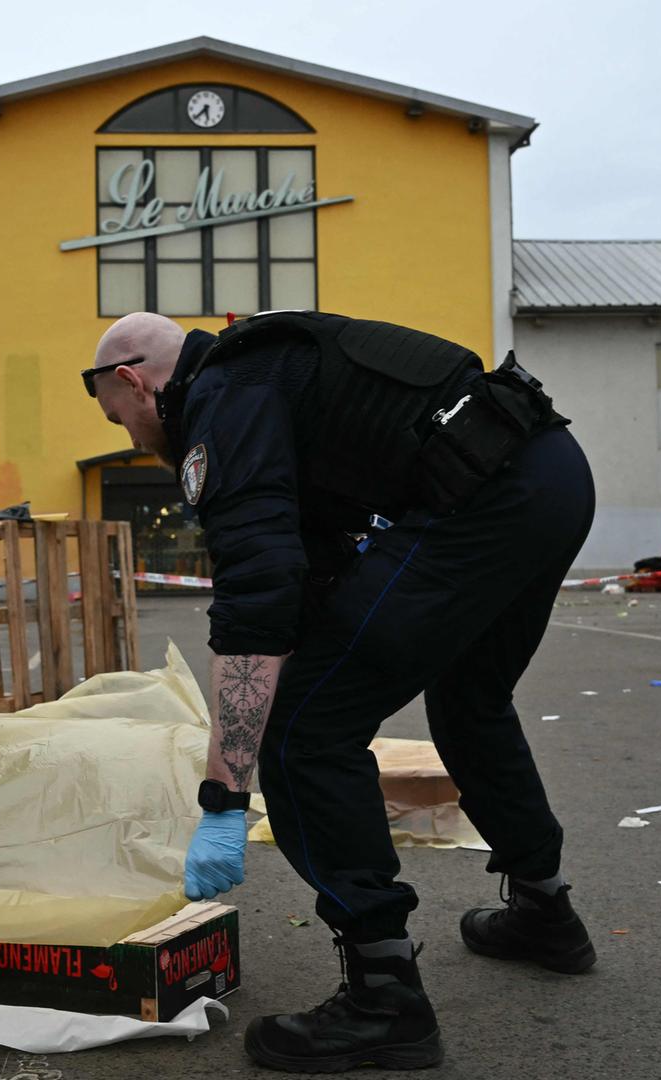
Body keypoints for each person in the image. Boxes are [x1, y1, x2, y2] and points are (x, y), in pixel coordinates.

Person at [82, 311, 594, 1073]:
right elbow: (314, 570)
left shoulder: (224, 399)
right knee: (470, 699)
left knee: (304, 733)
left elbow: (258, 589)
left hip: (485, 497)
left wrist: (225, 797)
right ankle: (545, 910)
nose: (128, 435)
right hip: (550, 475)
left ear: (133, 380)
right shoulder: (264, 378)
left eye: (117, 416)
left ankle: (385, 997)